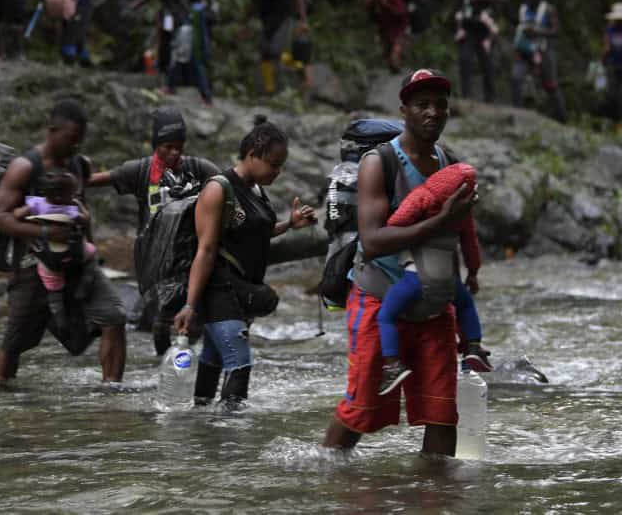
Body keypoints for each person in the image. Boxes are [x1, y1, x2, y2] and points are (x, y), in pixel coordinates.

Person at [322, 69, 478, 456]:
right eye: (422, 105)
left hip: (432, 304)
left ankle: (435, 499)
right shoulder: (379, 163)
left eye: (440, 105)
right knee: (361, 409)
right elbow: (373, 241)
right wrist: (440, 220)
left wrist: (464, 289)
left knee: (442, 413)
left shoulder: (449, 163)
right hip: (379, 298)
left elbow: (456, 236)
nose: (432, 112)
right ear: (404, 110)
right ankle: (325, 475)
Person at [172, 117, 317, 409]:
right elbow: (207, 249)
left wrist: (289, 224)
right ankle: (232, 442)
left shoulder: (256, 191)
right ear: (252, 154)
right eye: (274, 164)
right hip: (219, 289)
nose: (278, 172)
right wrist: (190, 305)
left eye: (281, 166)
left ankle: (200, 423)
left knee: (213, 360)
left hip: (241, 291)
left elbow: (256, 233)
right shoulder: (219, 190)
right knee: (239, 363)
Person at [0, 99, 127, 383]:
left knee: (114, 316)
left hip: (78, 262)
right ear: (52, 130)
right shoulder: (24, 167)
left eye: (80, 141)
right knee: (15, 341)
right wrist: (44, 233)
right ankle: (0, 396)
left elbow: (81, 206)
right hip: (34, 267)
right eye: (71, 140)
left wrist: (91, 247)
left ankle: (111, 393)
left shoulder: (80, 164)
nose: (75, 147)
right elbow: (0, 217)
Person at [88, 107, 219, 354]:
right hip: (155, 265)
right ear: (155, 144)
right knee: (160, 325)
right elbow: (98, 179)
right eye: (168, 147)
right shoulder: (140, 171)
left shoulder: (199, 169)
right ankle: (162, 366)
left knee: (195, 321)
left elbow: (229, 187)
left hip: (194, 259)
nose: (175, 153)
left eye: (180, 146)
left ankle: (191, 363)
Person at [377, 161, 491, 395]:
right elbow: (471, 246)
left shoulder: (421, 198)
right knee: (466, 304)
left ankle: (392, 364)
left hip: (415, 278)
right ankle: (473, 347)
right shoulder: (463, 213)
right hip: (449, 280)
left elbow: (393, 225)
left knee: (386, 315)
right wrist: (474, 273)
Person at [11, 169, 97, 331]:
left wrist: (31, 216)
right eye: (72, 193)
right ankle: (85, 284)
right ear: (59, 196)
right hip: (73, 253)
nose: (74, 196)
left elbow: (16, 215)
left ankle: (59, 318)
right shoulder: (71, 210)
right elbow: (86, 219)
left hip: (47, 257)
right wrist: (78, 204)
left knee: (53, 287)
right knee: (92, 253)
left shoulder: (36, 204)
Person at [244, 0, 309, 94]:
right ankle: (269, 89)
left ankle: (301, 75)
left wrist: (303, 20)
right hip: (267, 20)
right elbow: (252, 3)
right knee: (265, 53)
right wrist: (244, 23)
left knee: (276, 51)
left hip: (285, 18)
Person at [511, 0, 567, 122]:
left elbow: (556, 31)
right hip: (524, 50)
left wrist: (538, 32)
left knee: (550, 85)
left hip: (543, 50)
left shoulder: (548, 9)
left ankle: (562, 118)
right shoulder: (523, 9)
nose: (529, 0)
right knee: (516, 78)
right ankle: (517, 114)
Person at [455, 0, 500, 102]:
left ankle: (490, 97)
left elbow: (494, 29)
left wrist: (489, 39)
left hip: (484, 36)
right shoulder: (467, 3)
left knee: (487, 65)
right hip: (469, 34)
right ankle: (465, 94)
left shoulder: (490, 7)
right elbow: (461, 19)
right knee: (465, 60)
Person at [366, 0, 409, 73]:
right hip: (386, 32)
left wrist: (386, 5)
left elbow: (402, 12)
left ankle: (399, 60)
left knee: (394, 59)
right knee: (389, 62)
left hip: (399, 30)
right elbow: (373, 16)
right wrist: (369, 6)